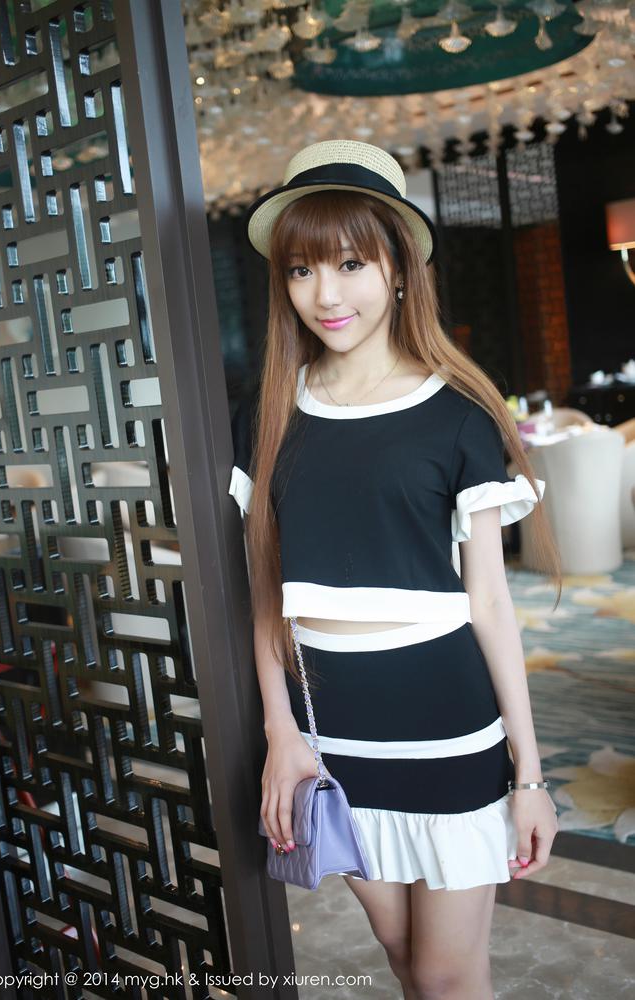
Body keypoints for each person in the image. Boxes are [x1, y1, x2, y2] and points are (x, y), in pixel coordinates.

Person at [228, 139, 560, 1000]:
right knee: (402, 954)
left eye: (350, 264)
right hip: (333, 733)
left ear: (401, 268)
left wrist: (530, 777)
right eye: (302, 269)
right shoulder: (269, 413)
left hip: (447, 726)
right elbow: (266, 595)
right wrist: (282, 734)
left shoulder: (458, 413)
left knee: (446, 976)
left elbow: (491, 602)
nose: (326, 294)